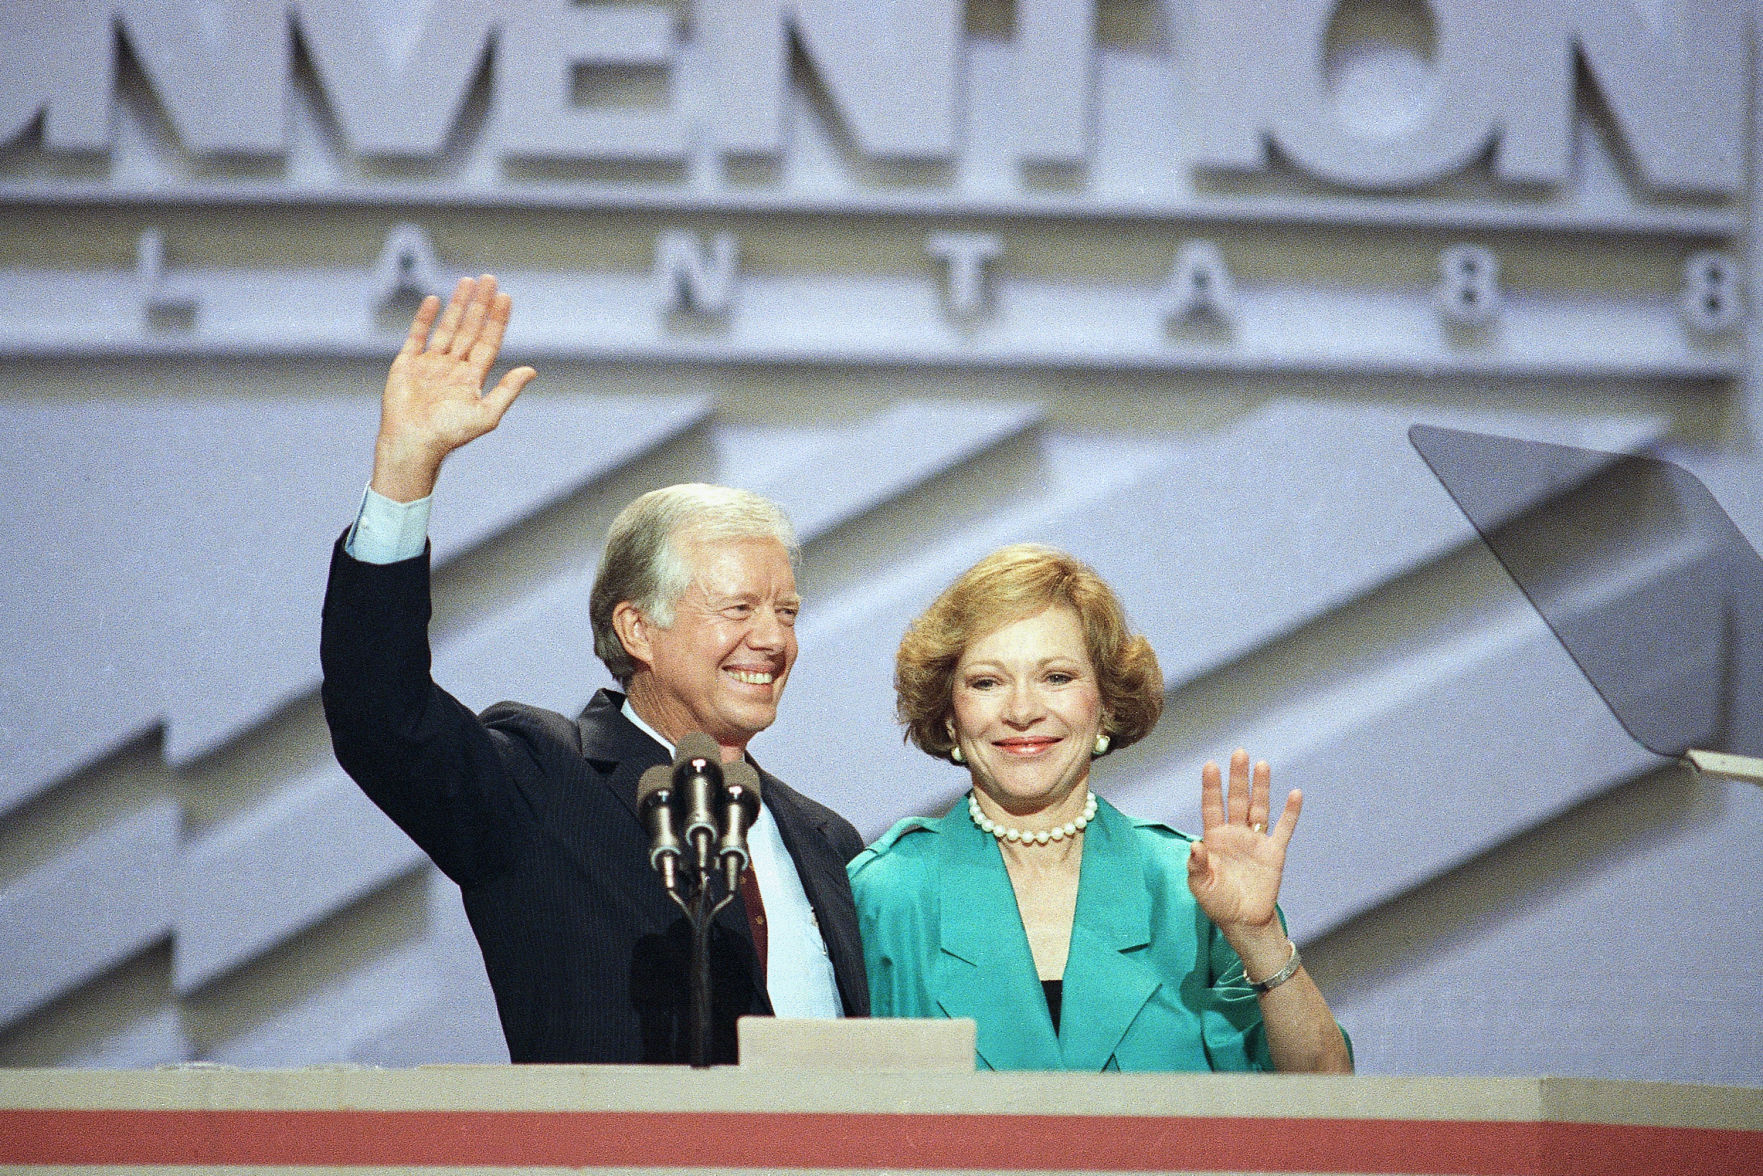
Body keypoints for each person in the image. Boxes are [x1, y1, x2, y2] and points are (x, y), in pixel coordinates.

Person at [321, 275, 868, 1064]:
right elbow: (381, 716)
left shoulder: (827, 841)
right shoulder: (543, 783)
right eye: (738, 608)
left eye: (785, 612)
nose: (772, 640)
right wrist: (405, 472)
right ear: (637, 628)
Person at [848, 544, 1352, 1072]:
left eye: (1057, 677)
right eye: (987, 682)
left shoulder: (1190, 890)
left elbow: (1326, 1099)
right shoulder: (885, 896)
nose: (1022, 711)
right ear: (950, 716)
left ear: (1106, 706)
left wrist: (1258, 934)